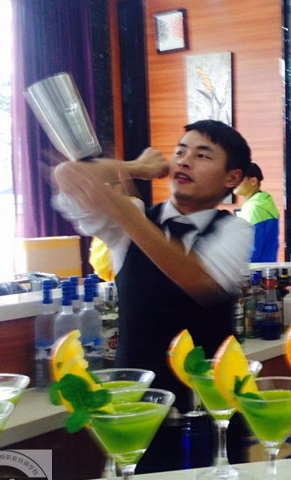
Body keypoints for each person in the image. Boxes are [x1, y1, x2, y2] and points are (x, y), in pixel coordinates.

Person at [52, 120, 253, 415]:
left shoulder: (235, 230)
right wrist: (138, 167)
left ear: (232, 177)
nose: (184, 161)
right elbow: (68, 175)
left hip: (211, 402)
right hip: (136, 402)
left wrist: (120, 209)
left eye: (202, 155)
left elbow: (199, 281)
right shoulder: (131, 218)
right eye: (180, 152)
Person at [234, 162, 280, 262]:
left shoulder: (252, 208)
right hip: (267, 267)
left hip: (253, 270)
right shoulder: (265, 203)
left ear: (253, 181)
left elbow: (251, 249)